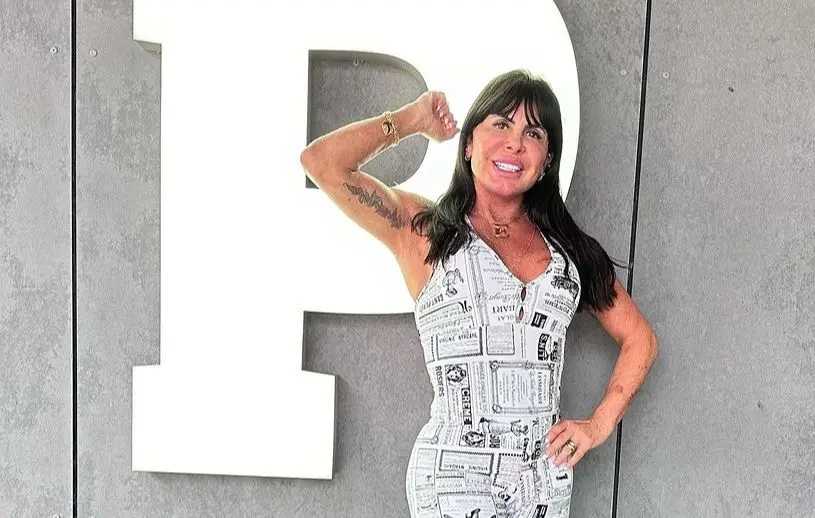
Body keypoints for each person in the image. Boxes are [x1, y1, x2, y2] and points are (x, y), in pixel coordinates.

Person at [300, 69, 658, 518]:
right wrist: (412, 120)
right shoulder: (425, 231)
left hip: (542, 485)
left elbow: (641, 339)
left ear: (547, 160)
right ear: (469, 143)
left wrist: (598, 425)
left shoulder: (570, 254)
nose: (515, 143)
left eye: (533, 133)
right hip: (454, 478)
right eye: (500, 124)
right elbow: (322, 162)